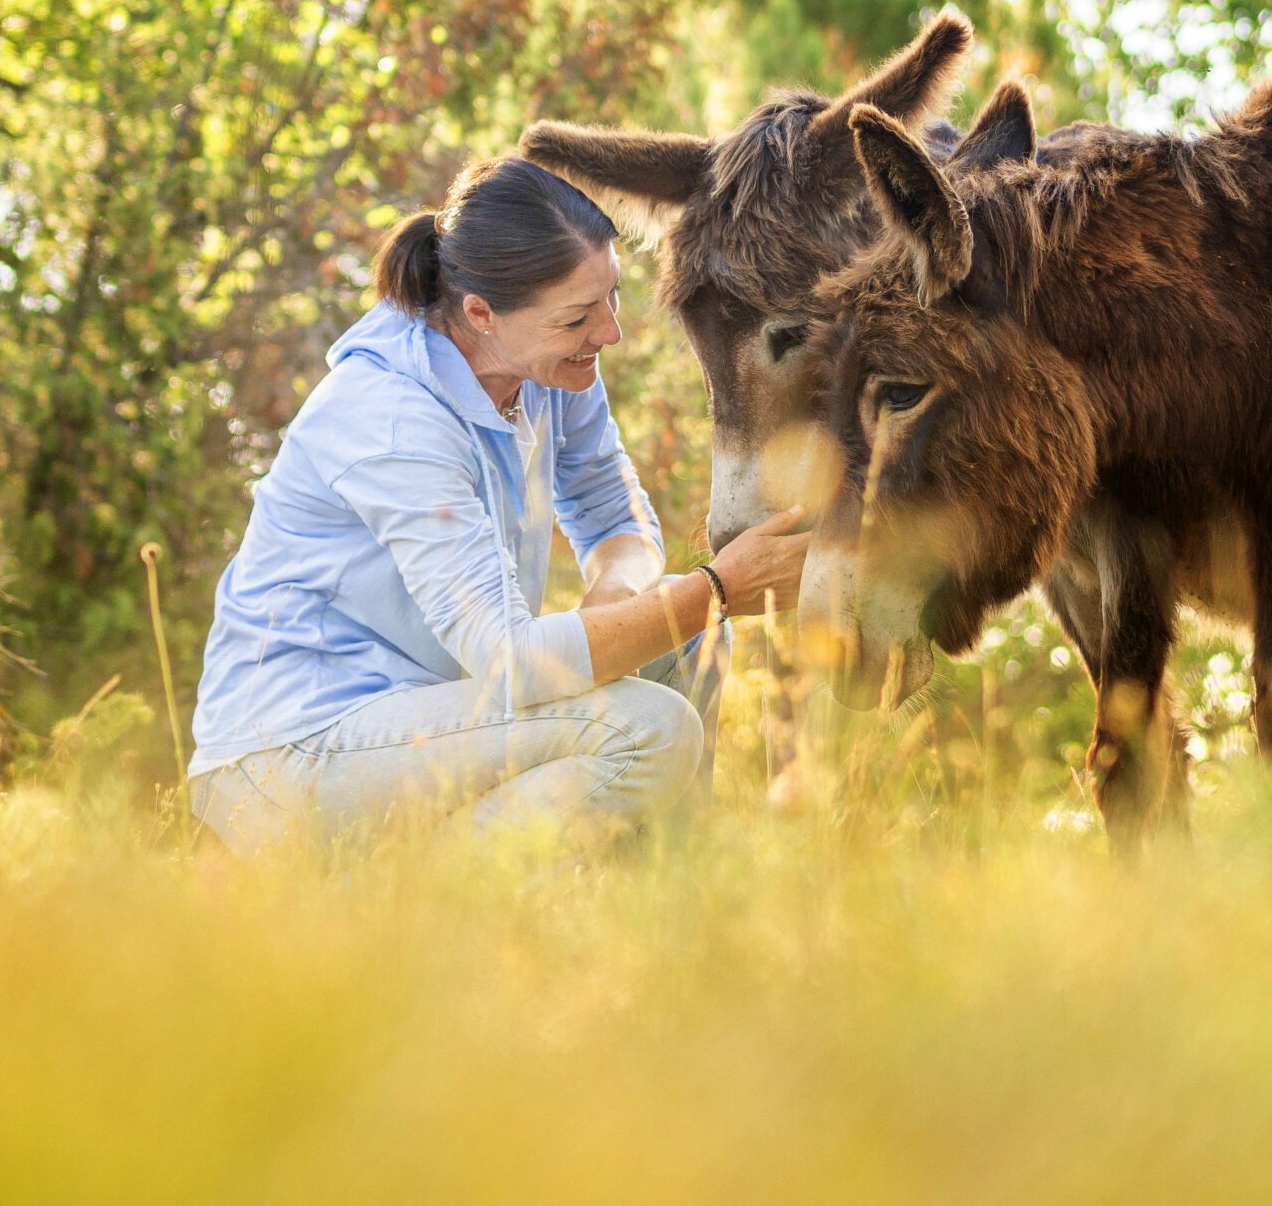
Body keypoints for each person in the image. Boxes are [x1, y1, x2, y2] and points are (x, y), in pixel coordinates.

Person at [186, 156, 809, 853]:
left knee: (684, 637)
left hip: (437, 724)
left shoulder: (544, 367)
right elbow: (510, 663)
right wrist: (719, 588)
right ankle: (421, 913)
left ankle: (655, 920)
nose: (609, 333)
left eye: (612, 297)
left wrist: (618, 592)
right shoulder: (393, 420)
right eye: (577, 317)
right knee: (651, 725)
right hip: (296, 754)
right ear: (480, 314)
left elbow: (613, 514)